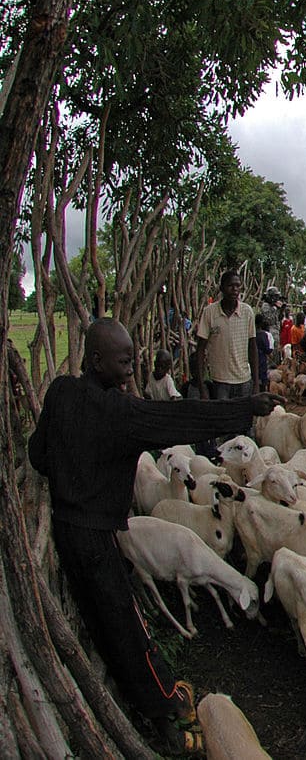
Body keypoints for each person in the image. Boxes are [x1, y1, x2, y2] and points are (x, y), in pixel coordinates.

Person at [27, 318, 281, 754]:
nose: (131, 370)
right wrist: (245, 408)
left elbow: (38, 456)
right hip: (97, 538)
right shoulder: (120, 413)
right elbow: (177, 418)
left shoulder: (60, 392)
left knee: (101, 620)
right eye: (124, 361)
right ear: (96, 360)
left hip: (67, 531)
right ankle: (167, 711)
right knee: (127, 627)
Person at [192, 270, 258, 399]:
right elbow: (200, 349)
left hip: (243, 380)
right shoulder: (210, 312)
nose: (235, 290)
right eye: (230, 285)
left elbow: (252, 347)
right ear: (221, 288)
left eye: (237, 286)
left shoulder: (247, 312)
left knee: (243, 412)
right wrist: (202, 386)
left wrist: (256, 384)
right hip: (220, 382)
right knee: (222, 412)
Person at [254, 314, 272, 391]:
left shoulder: (252, 333)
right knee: (263, 378)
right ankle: (262, 392)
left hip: (252, 358)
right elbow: (267, 349)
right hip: (261, 359)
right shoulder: (263, 335)